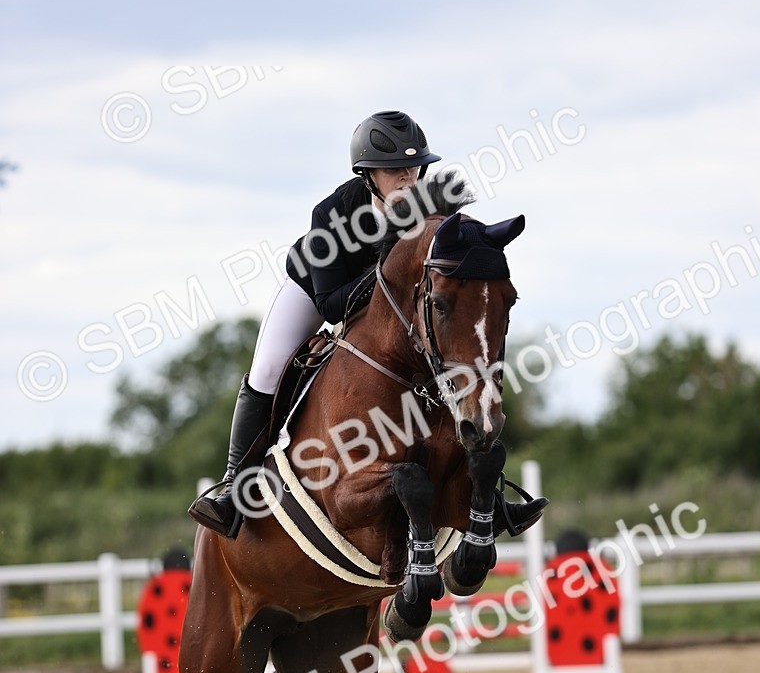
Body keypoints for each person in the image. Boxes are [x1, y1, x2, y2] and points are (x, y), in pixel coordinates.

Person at [189, 110, 543, 540]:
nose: (408, 177)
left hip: (392, 311)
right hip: (315, 293)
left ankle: (483, 490)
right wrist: (389, 267)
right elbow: (332, 304)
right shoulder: (333, 214)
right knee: (267, 369)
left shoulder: (429, 212)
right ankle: (233, 487)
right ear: (368, 174)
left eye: (414, 167)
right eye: (394, 169)